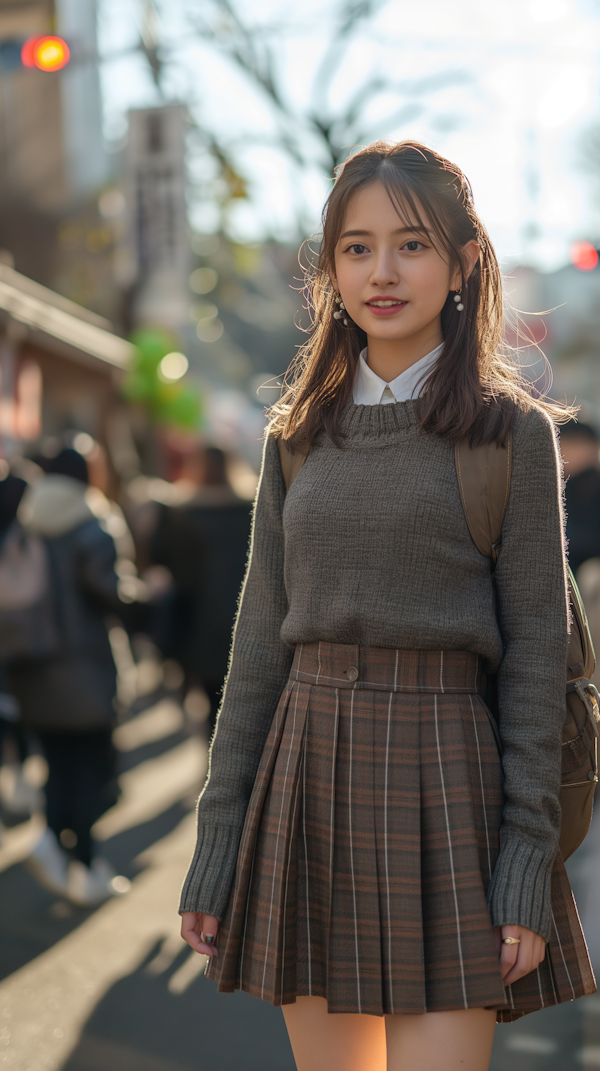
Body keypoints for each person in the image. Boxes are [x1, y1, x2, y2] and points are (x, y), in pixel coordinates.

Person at [179, 142, 595, 1071]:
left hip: (452, 779)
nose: (382, 271)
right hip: (307, 771)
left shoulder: (510, 431)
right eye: (356, 248)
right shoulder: (298, 432)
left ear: (461, 261)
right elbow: (256, 650)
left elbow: (538, 654)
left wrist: (526, 861)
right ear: (329, 268)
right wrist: (217, 842)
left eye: (411, 244)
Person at [10, 447, 130, 907]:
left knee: (58, 765)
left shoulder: (26, 518)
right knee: (91, 769)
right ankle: (83, 864)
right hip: (84, 670)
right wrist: (145, 596)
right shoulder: (91, 524)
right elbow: (110, 592)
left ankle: (57, 848)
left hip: (32, 670)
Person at [149, 445, 252, 736]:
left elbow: (160, 559)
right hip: (246, 617)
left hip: (197, 623)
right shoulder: (251, 508)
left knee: (211, 704)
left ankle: (214, 767)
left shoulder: (178, 512)